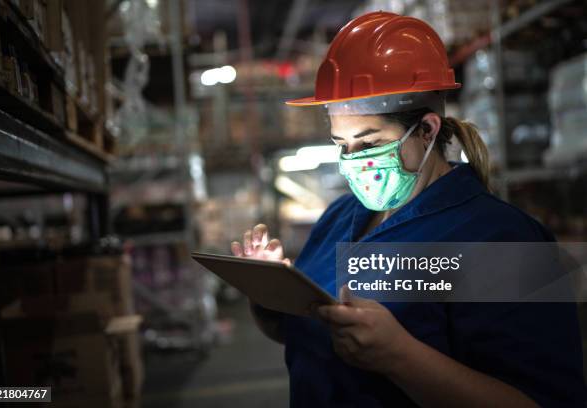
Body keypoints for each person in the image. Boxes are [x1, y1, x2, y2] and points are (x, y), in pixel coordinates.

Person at [230, 12, 585, 407]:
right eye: (341, 144)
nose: (353, 160)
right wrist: (270, 297)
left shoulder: (501, 238)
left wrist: (400, 356)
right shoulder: (339, 218)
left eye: (368, 144)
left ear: (428, 130)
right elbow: (309, 336)